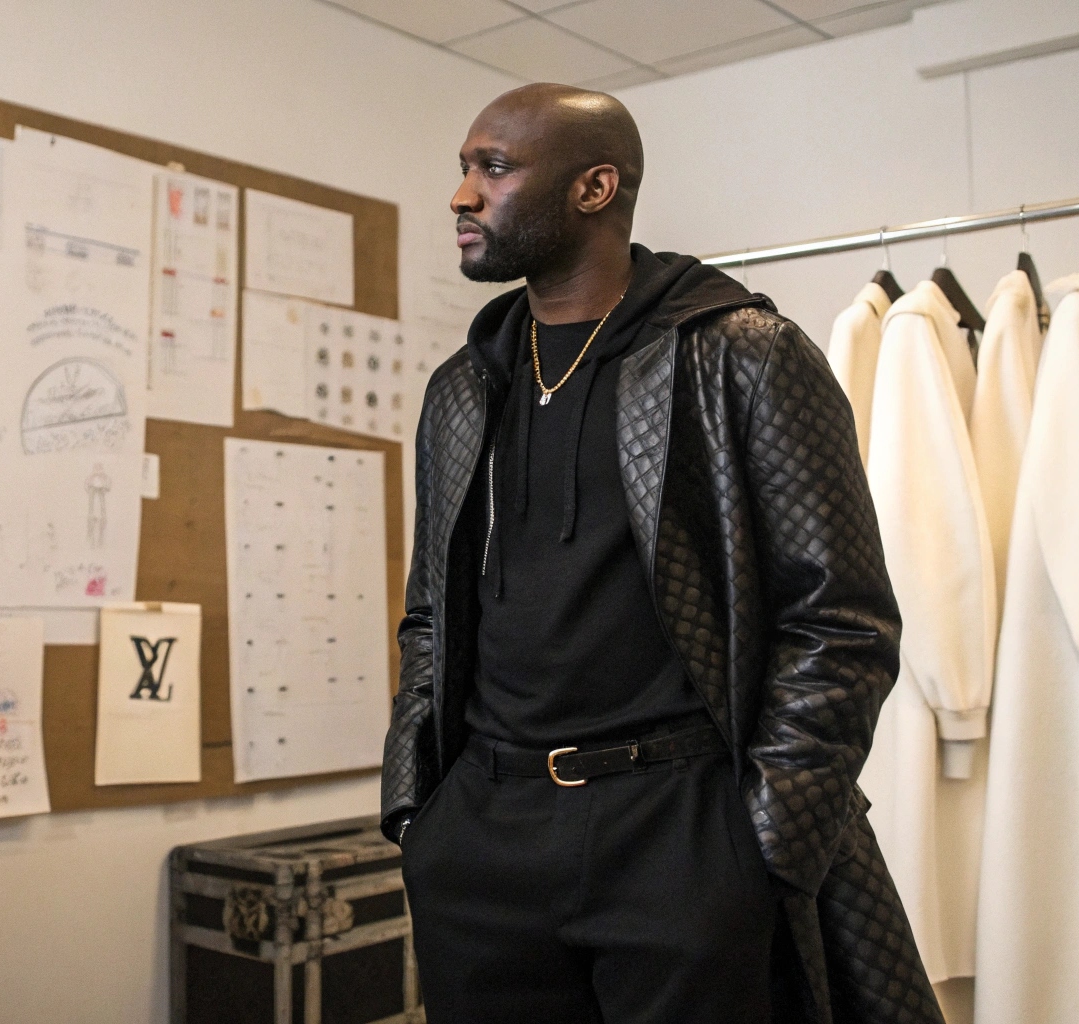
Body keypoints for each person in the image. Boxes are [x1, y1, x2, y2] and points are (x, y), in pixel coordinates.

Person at [382, 83, 942, 1024]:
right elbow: (431, 611)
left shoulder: (744, 354)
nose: (462, 195)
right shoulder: (463, 385)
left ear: (595, 187)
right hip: (483, 833)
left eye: (495, 167)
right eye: (465, 169)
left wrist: (764, 842)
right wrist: (417, 809)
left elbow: (841, 620)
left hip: (681, 830)